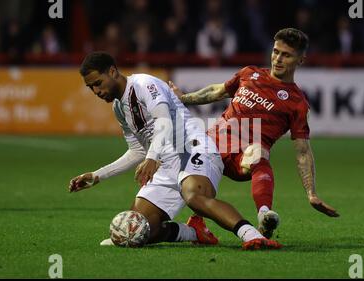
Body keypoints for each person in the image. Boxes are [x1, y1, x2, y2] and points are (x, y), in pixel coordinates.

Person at [69, 52, 281, 250]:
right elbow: (136, 150)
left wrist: (152, 158)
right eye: (91, 88)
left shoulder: (144, 84)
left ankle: (253, 236)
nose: (96, 91)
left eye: (98, 83)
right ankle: (193, 232)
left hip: (193, 148)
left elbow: (164, 120)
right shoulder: (119, 108)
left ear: (113, 72)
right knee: (137, 232)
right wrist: (98, 175)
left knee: (193, 196)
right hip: (165, 164)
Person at [170, 28, 339, 239]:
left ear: (300, 60)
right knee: (172, 163)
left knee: (258, 152)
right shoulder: (250, 73)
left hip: (243, 158)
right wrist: (183, 98)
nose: (278, 59)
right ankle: (195, 224)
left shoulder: (297, 103)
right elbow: (218, 91)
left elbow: (303, 151)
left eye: (286, 55)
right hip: (211, 146)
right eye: (276, 51)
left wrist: (311, 193)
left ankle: (264, 215)